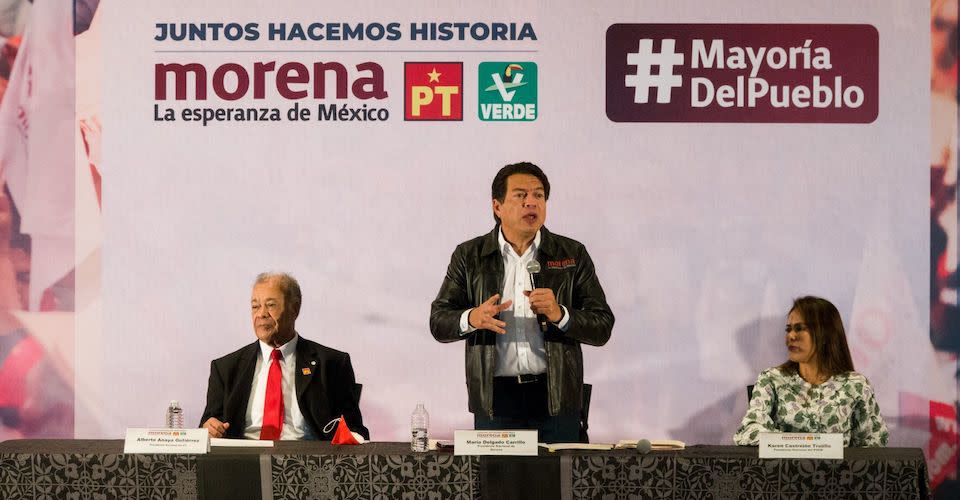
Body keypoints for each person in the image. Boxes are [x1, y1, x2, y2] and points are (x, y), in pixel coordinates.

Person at [430, 162, 614, 443]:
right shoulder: (469, 256)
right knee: (499, 487)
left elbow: (602, 326)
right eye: (520, 195)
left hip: (556, 399)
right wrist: (471, 318)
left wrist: (560, 314)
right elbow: (439, 321)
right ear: (497, 206)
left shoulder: (572, 254)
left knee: (557, 486)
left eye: (539, 196)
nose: (531, 202)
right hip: (495, 401)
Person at [200, 272, 369, 440]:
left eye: (271, 305)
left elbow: (355, 431)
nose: (261, 314)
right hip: (242, 462)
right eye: (255, 306)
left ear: (294, 308)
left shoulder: (332, 364)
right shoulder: (225, 368)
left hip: (308, 462)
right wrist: (210, 428)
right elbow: (208, 426)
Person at [733, 296, 888, 447]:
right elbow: (749, 431)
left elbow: (875, 443)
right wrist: (803, 445)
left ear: (825, 333)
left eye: (799, 328)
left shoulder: (856, 385)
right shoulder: (771, 379)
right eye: (789, 329)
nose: (791, 336)